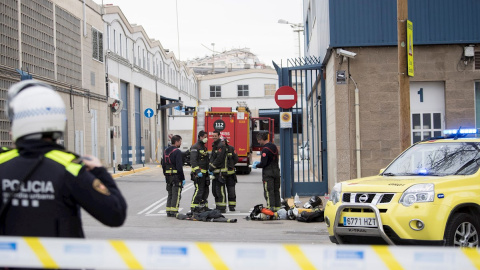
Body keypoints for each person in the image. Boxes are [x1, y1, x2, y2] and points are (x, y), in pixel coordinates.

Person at [0, 80, 127, 238]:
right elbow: (115, 214)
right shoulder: (69, 167)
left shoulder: (2, 163)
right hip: (58, 262)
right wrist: (99, 172)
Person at [252, 132, 281, 211]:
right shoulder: (274, 146)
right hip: (276, 172)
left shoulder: (265, 149)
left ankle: (270, 208)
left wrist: (257, 165)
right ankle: (278, 208)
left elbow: (263, 163)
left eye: (258, 140)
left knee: (268, 191)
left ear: (261, 139)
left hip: (268, 173)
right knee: (276, 190)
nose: (258, 142)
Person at [161, 135, 185, 217]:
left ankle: (168, 211)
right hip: (176, 177)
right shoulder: (177, 151)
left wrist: (165, 175)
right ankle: (174, 211)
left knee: (170, 193)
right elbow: (179, 167)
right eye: (180, 141)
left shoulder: (165, 151)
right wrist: (182, 178)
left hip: (168, 177)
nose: (180, 143)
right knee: (176, 194)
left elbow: (163, 165)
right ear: (177, 142)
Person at [189, 130, 210, 211]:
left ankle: (203, 206)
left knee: (205, 190)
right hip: (199, 174)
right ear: (200, 137)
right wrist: (197, 171)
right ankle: (194, 206)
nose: (206, 139)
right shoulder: (195, 147)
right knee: (199, 190)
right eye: (205, 137)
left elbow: (206, 160)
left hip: (205, 173)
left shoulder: (203, 147)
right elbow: (193, 161)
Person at [208, 130, 228, 213]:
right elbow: (213, 158)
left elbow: (219, 159)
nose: (214, 137)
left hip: (220, 172)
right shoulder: (215, 145)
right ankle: (218, 206)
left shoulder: (221, 146)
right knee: (215, 191)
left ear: (219, 136)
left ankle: (222, 208)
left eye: (215, 136)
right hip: (216, 172)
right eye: (213, 136)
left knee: (220, 191)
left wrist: (211, 167)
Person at [224, 138, 238, 211]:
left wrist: (231, 165)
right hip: (222, 175)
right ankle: (222, 206)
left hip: (230, 175)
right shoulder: (219, 149)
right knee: (221, 192)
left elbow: (236, 159)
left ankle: (232, 206)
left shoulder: (231, 148)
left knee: (231, 191)